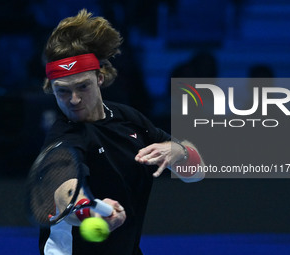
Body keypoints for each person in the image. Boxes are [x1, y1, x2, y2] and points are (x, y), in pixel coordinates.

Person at [38, 9, 205, 255]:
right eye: (62, 91)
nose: (73, 100)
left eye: (83, 87)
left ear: (100, 78)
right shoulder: (63, 138)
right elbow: (67, 194)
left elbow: (196, 171)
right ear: (51, 88)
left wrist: (179, 151)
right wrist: (92, 209)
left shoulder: (130, 119)